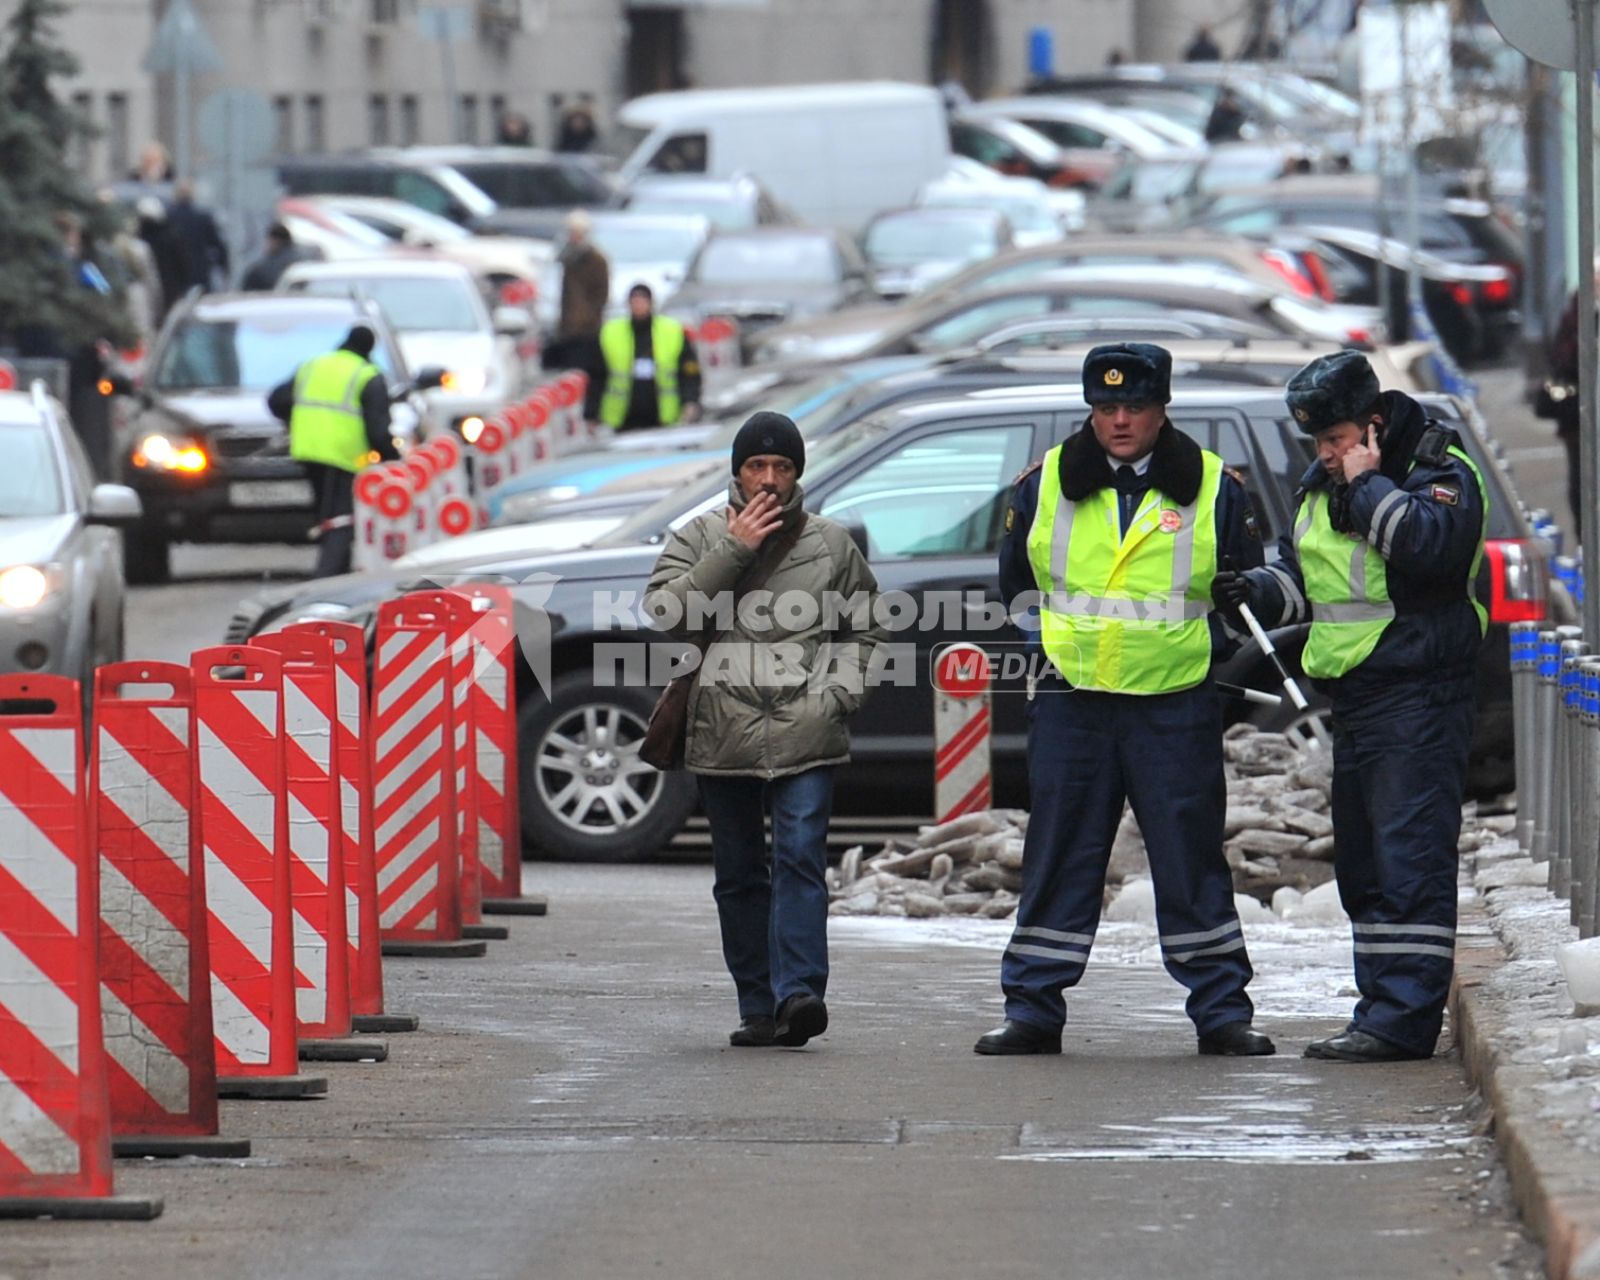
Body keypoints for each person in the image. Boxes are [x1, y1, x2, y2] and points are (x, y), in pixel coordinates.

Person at [976, 342, 1274, 1059]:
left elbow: (1254, 582)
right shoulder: (1044, 483)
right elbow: (1015, 585)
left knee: (1191, 858)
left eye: (1133, 407)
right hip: (1074, 702)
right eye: (1105, 407)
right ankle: (1033, 1009)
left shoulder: (1212, 485)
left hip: (1173, 704)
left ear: (1161, 408)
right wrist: (1045, 652)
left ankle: (1221, 1012)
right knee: (1057, 855)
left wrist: (1245, 603)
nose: (1118, 421)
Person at [1213, 351, 1487, 1062]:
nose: (1328, 457)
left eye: (1338, 443)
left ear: (1371, 426)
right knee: (1366, 865)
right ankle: (1380, 1011)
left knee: (1410, 861)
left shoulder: (1437, 471)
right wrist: (1259, 592)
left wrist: (1368, 485)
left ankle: (1401, 1022)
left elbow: (1427, 552)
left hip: (1419, 693)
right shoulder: (1321, 487)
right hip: (1360, 698)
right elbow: (1308, 575)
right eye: (1320, 446)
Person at [644, 412, 886, 1048]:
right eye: (757, 467)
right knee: (741, 872)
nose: (769, 480)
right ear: (738, 472)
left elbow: (865, 626)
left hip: (806, 728)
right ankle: (757, 1003)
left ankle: (799, 994)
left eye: (782, 468)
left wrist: (836, 694)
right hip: (722, 727)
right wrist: (734, 549)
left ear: (798, 474)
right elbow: (668, 614)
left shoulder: (831, 544)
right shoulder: (697, 537)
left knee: (801, 858)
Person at [267, 325, 400, 577]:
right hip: (343, 456)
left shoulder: (313, 365)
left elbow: (276, 400)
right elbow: (378, 432)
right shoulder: (367, 375)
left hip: (307, 450)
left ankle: (336, 572)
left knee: (327, 516)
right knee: (341, 519)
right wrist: (394, 462)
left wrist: (296, 423)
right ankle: (326, 577)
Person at [598, 283, 701, 431]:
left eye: (642, 301)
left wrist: (690, 400)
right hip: (623, 416)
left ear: (651, 303)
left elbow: (689, 371)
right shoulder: (611, 332)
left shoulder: (671, 330)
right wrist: (592, 413)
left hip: (665, 415)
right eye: (635, 301)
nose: (638, 306)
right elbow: (597, 374)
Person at [549, 209, 610, 420]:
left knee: (587, 376)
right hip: (568, 328)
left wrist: (588, 318)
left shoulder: (596, 260)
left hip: (587, 330)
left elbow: (601, 295)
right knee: (568, 376)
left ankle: (588, 415)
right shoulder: (567, 258)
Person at [1547, 283, 1586, 535]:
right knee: (1580, 477)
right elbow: (1560, 359)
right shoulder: (1575, 316)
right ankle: (1584, 534)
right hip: (1577, 415)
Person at [165, 179, 229, 294]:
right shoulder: (203, 218)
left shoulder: (167, 219)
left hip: (174, 276)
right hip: (200, 274)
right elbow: (219, 247)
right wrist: (224, 268)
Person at [240, 222, 310, 292]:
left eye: (268, 241)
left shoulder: (262, 270)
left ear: (276, 241)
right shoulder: (304, 264)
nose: (266, 244)